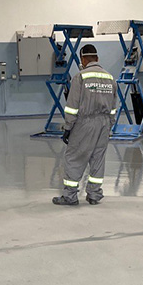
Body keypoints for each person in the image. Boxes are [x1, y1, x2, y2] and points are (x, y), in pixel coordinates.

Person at [52, 44, 118, 206]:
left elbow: (72, 106)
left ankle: (70, 196)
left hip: (85, 123)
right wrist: (109, 125)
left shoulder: (80, 77)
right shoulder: (110, 78)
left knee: (74, 157)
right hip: (104, 124)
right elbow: (113, 107)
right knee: (98, 159)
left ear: (83, 59)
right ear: (97, 58)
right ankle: (94, 194)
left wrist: (68, 128)